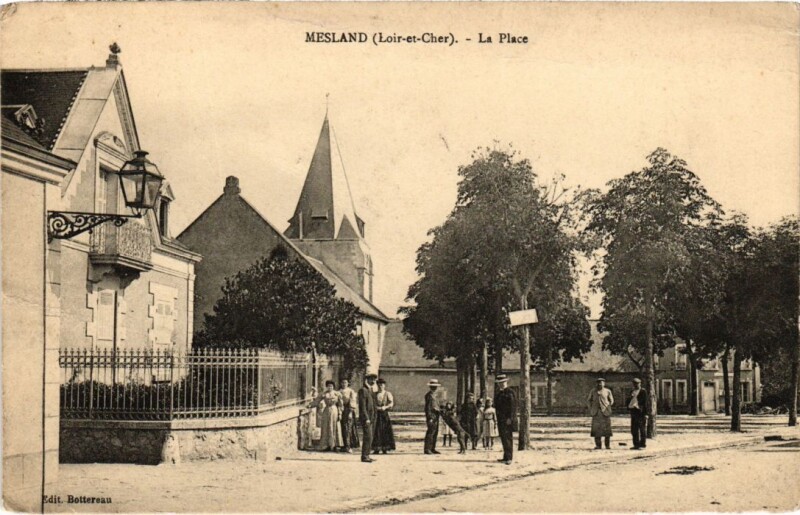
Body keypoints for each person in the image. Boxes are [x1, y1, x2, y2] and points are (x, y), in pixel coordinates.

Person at [310, 380, 343, 451]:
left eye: (331, 386)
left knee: (334, 426)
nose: (330, 387)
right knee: (326, 427)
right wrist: (310, 405)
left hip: (334, 410)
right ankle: (326, 445)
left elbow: (340, 405)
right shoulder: (324, 394)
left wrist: (340, 413)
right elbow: (317, 401)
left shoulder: (337, 394)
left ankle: (335, 445)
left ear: (333, 387)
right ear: (327, 387)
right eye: (328, 386)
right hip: (326, 411)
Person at [494, 375, 517, 464]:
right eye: (499, 383)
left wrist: (510, 418)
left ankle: (509, 458)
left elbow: (513, 407)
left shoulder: (510, 392)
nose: (501, 384)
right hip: (501, 419)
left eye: (503, 383)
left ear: (506, 382)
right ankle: (505, 456)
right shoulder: (499, 394)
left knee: (508, 438)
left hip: (508, 419)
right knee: (503, 438)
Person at [587, 377, 614, 450]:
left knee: (607, 430)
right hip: (596, 413)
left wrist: (608, 407)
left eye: (601, 383)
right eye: (598, 383)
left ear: (604, 384)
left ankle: (607, 445)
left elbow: (611, 400)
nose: (600, 384)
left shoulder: (608, 391)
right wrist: (591, 408)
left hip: (605, 412)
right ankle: (598, 445)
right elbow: (589, 400)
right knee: (596, 430)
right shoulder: (593, 391)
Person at [373, 378, 396, 454]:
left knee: (385, 430)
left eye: (382, 385)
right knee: (377, 430)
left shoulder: (387, 394)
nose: (380, 386)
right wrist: (375, 407)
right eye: (379, 385)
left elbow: (391, 403)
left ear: (384, 385)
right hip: (376, 414)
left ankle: (385, 448)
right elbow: (371, 403)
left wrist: (385, 407)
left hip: (384, 414)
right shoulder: (374, 394)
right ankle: (376, 448)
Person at [358, 374, 378, 463]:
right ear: (367, 380)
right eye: (371, 379)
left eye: (374, 380)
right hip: (367, 418)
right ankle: (364, 456)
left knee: (370, 437)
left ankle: (367, 454)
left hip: (372, 417)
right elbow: (362, 406)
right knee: (368, 436)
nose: (373, 381)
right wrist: (366, 418)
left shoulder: (371, 390)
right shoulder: (363, 390)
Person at [627, 378, 648, 450]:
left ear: (640, 384)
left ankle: (642, 444)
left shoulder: (643, 391)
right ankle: (636, 444)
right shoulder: (632, 392)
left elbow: (645, 403)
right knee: (634, 429)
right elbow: (628, 401)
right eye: (634, 384)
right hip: (633, 411)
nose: (636, 385)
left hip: (640, 411)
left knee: (642, 428)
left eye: (637, 383)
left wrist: (646, 413)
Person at [339, 379, 359, 453]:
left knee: (348, 427)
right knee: (342, 428)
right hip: (341, 410)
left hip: (348, 410)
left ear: (348, 383)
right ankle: (343, 445)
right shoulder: (339, 391)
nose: (344, 384)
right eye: (343, 382)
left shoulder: (350, 391)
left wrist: (350, 412)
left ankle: (349, 445)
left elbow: (352, 401)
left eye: (345, 383)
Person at [423, 379, 442, 454]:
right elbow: (428, 408)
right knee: (430, 432)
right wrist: (430, 417)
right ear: (430, 387)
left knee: (435, 432)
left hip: (436, 416)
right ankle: (427, 449)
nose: (435, 388)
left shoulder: (435, 395)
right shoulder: (429, 396)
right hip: (431, 416)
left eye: (436, 386)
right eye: (433, 386)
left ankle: (432, 448)